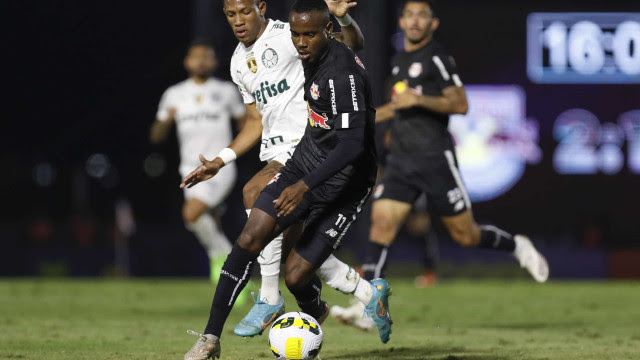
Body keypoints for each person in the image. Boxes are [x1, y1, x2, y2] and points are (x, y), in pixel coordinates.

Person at [182, 1, 392, 358]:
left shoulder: (327, 60)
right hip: (302, 157)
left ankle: (269, 297)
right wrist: (221, 159)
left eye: (244, 11)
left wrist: (342, 16)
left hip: (343, 176)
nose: (300, 43)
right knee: (280, 257)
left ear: (261, 7)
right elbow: (254, 121)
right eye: (230, 14)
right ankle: (210, 340)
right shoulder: (246, 58)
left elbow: (353, 140)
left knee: (257, 197)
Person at [331, 0, 549, 328]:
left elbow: (460, 104)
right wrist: (364, 119)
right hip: (402, 162)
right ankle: (370, 307)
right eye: (410, 15)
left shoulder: (436, 57)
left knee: (466, 235)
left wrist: (419, 99)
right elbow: (397, 107)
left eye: (423, 16)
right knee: (381, 226)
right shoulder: (400, 59)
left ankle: (516, 245)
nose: (416, 21)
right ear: (402, 22)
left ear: (432, 24)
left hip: (435, 159)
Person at [150, 40, 246, 283]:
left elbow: (245, 123)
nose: (201, 61)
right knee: (206, 221)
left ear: (214, 62)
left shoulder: (226, 91)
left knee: (191, 214)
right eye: (196, 57)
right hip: (189, 168)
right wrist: (165, 121)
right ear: (187, 62)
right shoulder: (174, 94)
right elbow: (156, 136)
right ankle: (233, 275)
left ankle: (222, 256)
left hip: (219, 166)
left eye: (207, 57)